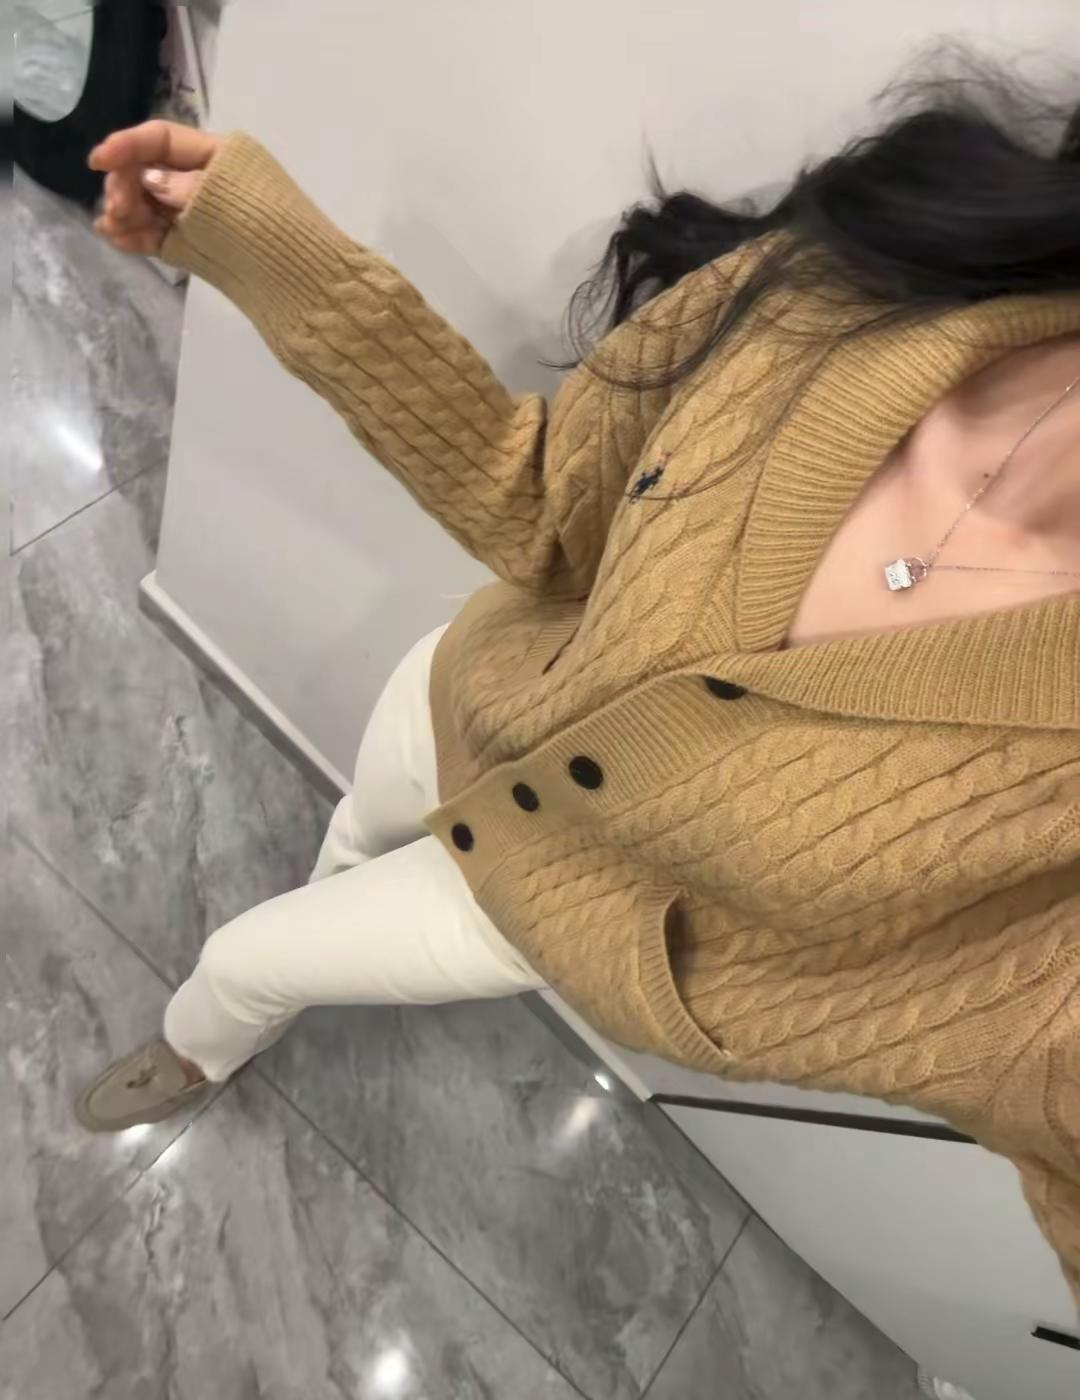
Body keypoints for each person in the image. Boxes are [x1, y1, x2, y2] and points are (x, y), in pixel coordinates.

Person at [77, 73, 1080, 1305]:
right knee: (351, 832)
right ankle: (338, 870)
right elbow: (543, 498)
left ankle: (200, 1047)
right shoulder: (899, 262)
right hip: (463, 688)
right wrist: (266, 243)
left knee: (246, 960)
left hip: (545, 906)